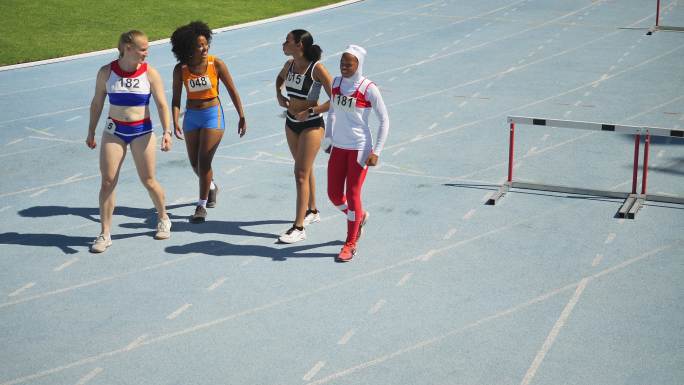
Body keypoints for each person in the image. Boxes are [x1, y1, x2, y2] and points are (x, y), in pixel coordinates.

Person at [86, 30, 173, 253]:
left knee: (148, 180)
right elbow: (96, 104)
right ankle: (105, 233)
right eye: (143, 49)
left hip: (141, 132)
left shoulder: (150, 74)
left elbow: (163, 105)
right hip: (114, 132)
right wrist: (91, 132)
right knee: (107, 181)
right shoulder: (106, 73)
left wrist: (167, 132)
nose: (147, 53)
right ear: (128, 48)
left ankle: (163, 216)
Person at [171, 21, 246, 223]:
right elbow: (176, 99)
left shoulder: (216, 64)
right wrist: (175, 120)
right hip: (191, 117)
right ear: (188, 48)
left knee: (204, 162)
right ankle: (211, 185)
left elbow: (232, 90)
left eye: (206, 44)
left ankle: (201, 206)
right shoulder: (181, 69)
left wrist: (241, 115)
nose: (205, 49)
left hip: (213, 114)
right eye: (199, 45)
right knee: (195, 164)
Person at [325, 45, 389, 262]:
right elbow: (332, 112)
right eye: (342, 62)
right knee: (334, 195)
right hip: (339, 147)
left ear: (358, 64)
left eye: (348, 63)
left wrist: (377, 151)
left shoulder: (368, 88)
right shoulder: (336, 83)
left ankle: (351, 242)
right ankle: (358, 216)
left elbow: (384, 120)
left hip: (360, 149)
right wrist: (328, 138)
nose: (344, 66)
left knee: (352, 195)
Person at [275, 29, 332, 243]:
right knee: (304, 170)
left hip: (311, 125)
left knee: (300, 173)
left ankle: (298, 227)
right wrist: (278, 94)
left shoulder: (317, 69)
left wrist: (311, 111)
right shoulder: (289, 65)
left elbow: (335, 98)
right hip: (291, 123)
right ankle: (313, 211)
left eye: (287, 41)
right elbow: (278, 79)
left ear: (299, 45)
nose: (283, 44)